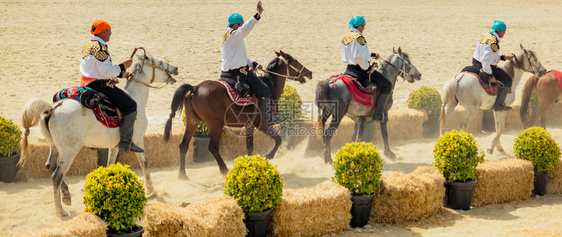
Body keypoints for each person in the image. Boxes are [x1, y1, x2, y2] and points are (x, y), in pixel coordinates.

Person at [80, 19, 144, 152]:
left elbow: (98, 70)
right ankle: (126, 142)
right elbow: (105, 72)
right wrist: (123, 66)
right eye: (109, 31)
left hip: (86, 82)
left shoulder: (88, 45)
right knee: (131, 105)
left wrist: (121, 74)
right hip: (99, 85)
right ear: (102, 32)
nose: (111, 33)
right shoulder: (101, 48)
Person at [220, 1, 282, 126]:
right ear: (236, 25)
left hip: (229, 72)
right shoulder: (233, 35)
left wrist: (252, 62)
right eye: (241, 24)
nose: (242, 26)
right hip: (239, 74)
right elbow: (245, 29)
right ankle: (268, 119)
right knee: (264, 88)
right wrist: (257, 14)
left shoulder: (230, 37)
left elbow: (238, 56)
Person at [341, 16, 393, 122]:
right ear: (360, 26)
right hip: (360, 70)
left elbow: (356, 53)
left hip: (349, 69)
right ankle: (378, 114)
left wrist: (372, 54)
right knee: (387, 85)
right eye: (363, 26)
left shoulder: (346, 37)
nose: (364, 28)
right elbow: (359, 56)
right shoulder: (360, 37)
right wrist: (368, 68)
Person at [472, 20, 514, 111]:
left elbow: (490, 55)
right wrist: (490, 75)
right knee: (508, 80)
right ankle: (498, 105)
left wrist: (503, 57)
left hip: (476, 62)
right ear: (498, 31)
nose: (504, 33)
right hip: (484, 65)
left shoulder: (486, 36)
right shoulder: (494, 43)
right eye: (503, 31)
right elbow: (486, 61)